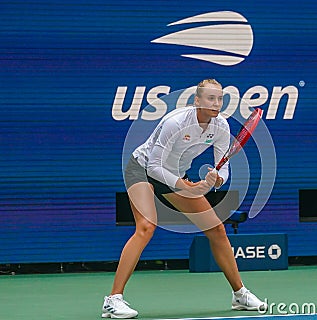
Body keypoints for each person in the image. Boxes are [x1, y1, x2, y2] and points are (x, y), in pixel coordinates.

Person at [102, 79, 266, 319]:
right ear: (196, 100)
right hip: (142, 169)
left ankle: (239, 294)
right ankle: (113, 300)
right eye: (210, 98)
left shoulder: (221, 127)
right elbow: (156, 167)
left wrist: (215, 180)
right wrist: (186, 186)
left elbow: (223, 169)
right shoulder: (175, 123)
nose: (216, 103)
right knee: (146, 227)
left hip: (176, 174)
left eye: (220, 99)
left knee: (216, 229)